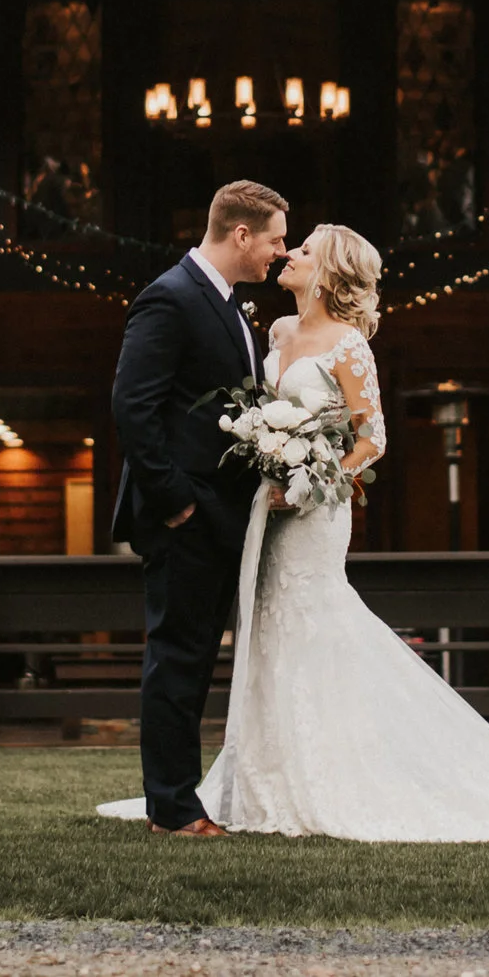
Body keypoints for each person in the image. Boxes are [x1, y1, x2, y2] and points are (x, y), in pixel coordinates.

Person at [101, 223, 489, 843]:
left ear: (330, 273)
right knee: (270, 636)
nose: (289, 253)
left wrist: (312, 480)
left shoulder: (349, 346)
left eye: (305, 249)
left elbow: (373, 439)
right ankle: (267, 775)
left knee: (315, 625)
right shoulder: (275, 330)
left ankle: (337, 775)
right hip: (266, 513)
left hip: (312, 512)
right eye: (288, 242)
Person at [107, 180, 288, 835]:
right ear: (241, 233)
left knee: (196, 661)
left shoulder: (232, 305)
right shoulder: (170, 296)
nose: (279, 252)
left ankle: (178, 798)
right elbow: (133, 405)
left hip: (221, 515)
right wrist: (175, 502)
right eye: (273, 239)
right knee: (177, 659)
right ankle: (172, 807)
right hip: (186, 514)